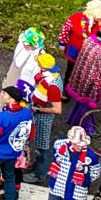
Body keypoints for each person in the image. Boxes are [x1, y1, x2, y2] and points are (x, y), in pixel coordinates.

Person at [66, 17, 101, 130]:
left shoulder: (90, 39)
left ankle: (73, 120)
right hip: (91, 83)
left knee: (80, 102)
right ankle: (87, 127)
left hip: (80, 76)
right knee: (86, 106)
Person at [26, 51, 64, 180]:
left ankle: (40, 174)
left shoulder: (52, 86)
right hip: (39, 113)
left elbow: (57, 109)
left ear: (44, 67)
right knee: (38, 145)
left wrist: (38, 109)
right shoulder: (51, 76)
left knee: (42, 147)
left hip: (43, 118)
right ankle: (36, 168)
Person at [60, 0, 101, 76]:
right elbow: (65, 29)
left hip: (91, 53)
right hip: (75, 49)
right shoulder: (76, 17)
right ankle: (66, 86)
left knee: (85, 72)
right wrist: (62, 43)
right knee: (70, 70)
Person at [4, 27, 45, 96]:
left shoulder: (41, 57)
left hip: (23, 88)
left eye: (26, 43)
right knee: (4, 100)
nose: (23, 44)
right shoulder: (20, 45)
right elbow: (16, 61)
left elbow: (36, 78)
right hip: (10, 80)